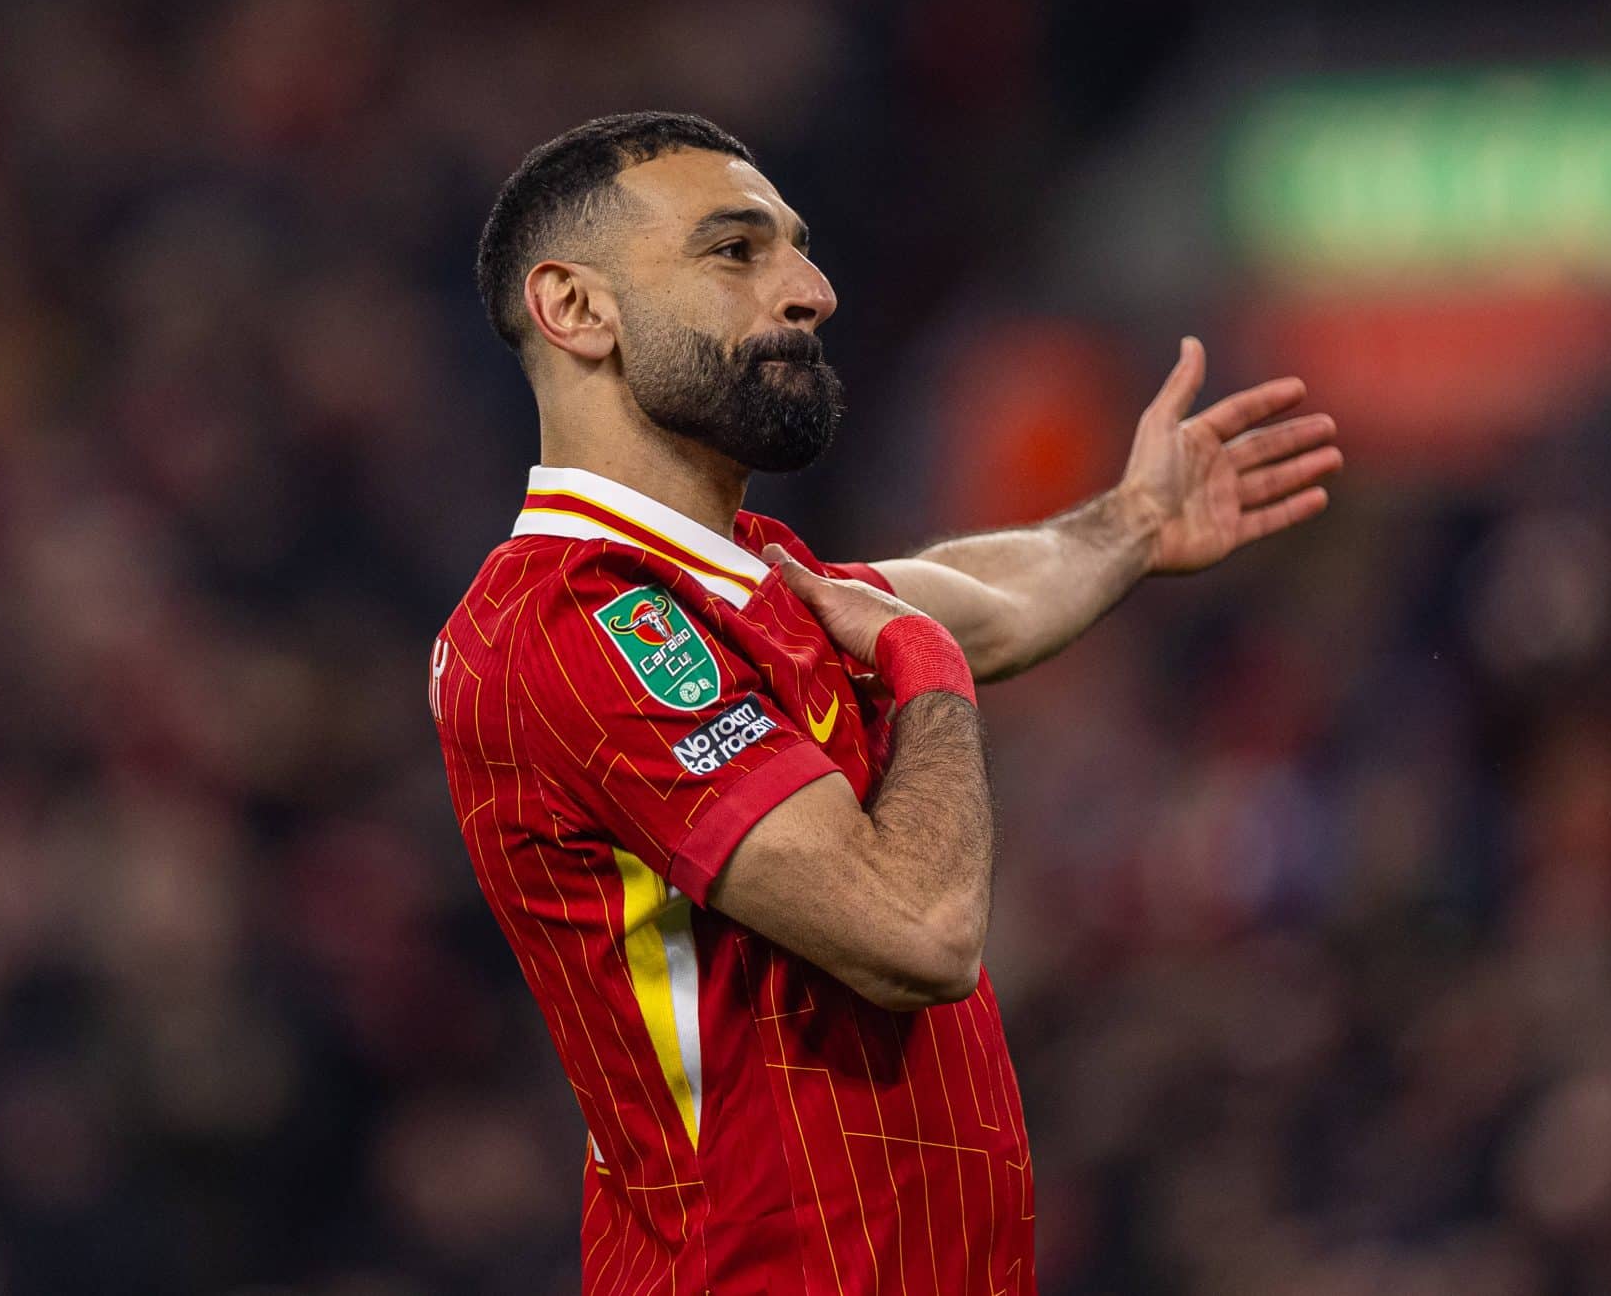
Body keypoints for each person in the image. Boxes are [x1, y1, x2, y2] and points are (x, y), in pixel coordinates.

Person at [431, 111, 1341, 1295]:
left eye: (798, 247)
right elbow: (917, 932)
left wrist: (1130, 524)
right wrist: (923, 667)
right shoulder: (577, 618)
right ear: (576, 309)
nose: (810, 290)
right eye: (734, 250)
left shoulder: (739, 583)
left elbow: (988, 598)